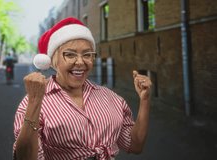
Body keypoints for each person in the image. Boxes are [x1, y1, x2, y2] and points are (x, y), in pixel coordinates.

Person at [13, 17, 152, 160]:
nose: (80, 62)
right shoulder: (31, 103)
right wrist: (35, 101)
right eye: (70, 54)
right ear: (53, 60)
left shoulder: (112, 98)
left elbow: (135, 145)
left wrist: (145, 100)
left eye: (87, 55)